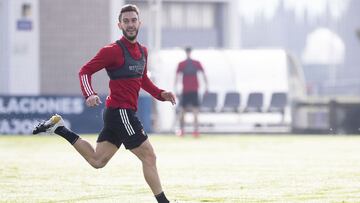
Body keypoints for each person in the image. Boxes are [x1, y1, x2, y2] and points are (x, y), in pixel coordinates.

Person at [32, 4, 175, 203]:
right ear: (120, 25)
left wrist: (161, 94)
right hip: (121, 112)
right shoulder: (112, 51)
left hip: (118, 113)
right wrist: (89, 94)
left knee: (97, 161)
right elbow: (84, 71)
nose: (130, 24)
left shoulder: (143, 51)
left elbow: (143, 80)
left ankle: (59, 128)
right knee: (149, 156)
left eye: (133, 20)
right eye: (126, 21)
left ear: (139, 23)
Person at [174, 47, 208, 137]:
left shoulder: (188, 63)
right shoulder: (186, 63)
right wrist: (176, 89)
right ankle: (183, 131)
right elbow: (177, 77)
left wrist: (206, 86)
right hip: (188, 90)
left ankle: (194, 131)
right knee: (185, 111)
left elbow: (204, 74)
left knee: (193, 112)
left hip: (191, 90)